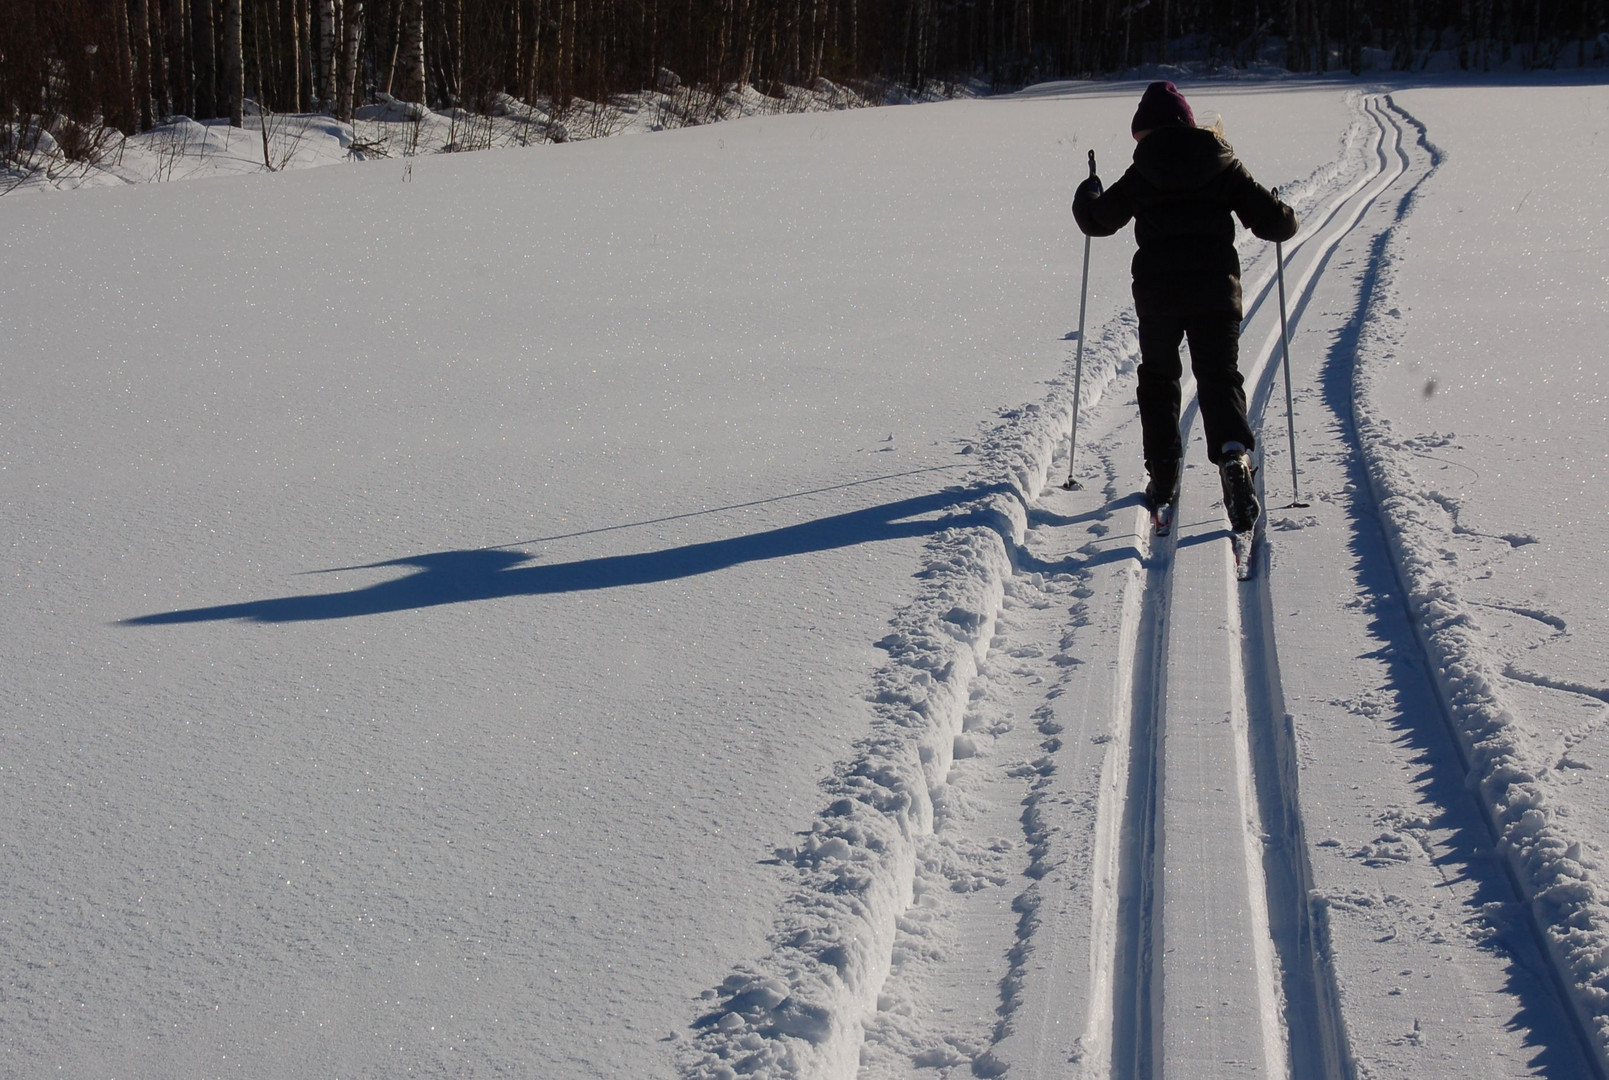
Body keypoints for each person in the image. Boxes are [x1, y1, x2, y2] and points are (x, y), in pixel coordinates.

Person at [1072, 81, 1297, 533]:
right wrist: (1279, 207)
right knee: (1219, 376)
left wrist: (1088, 191)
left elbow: (1098, 221)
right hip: (1215, 291)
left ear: (1147, 130)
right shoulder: (1221, 160)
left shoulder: (1143, 170)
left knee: (1158, 377)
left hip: (1158, 297)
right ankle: (1233, 457)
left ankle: (1164, 472)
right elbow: (1275, 224)